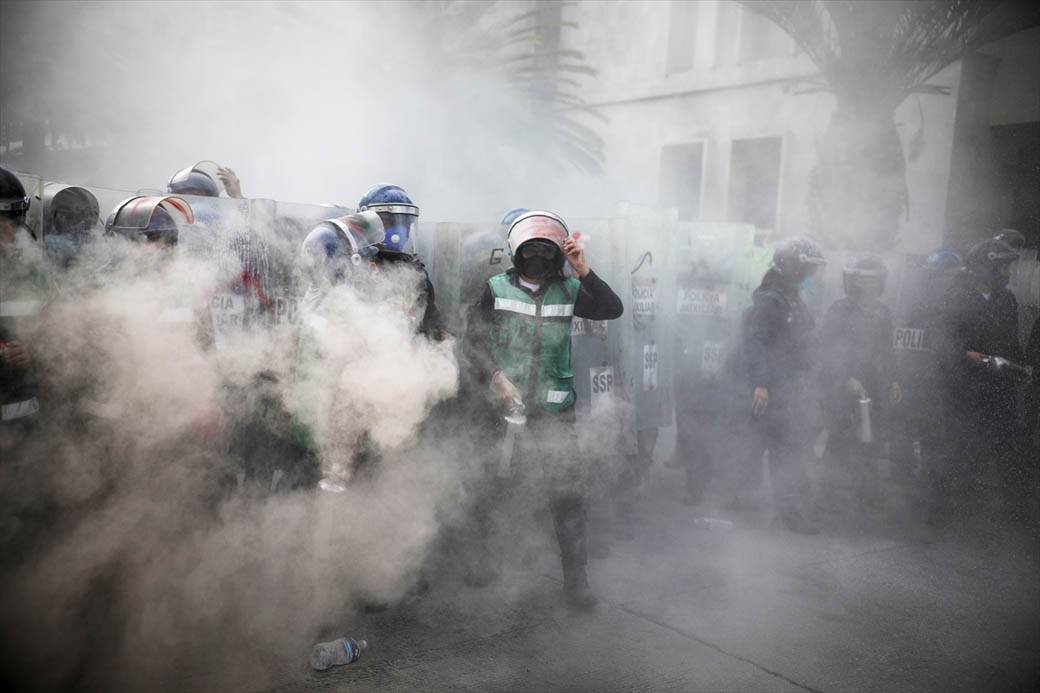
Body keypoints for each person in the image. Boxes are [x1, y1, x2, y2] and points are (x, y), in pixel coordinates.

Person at [465, 210, 623, 609]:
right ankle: (484, 563)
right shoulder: (495, 288)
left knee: (567, 495)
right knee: (492, 486)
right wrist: (496, 375)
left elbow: (611, 308)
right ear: (517, 251)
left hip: (555, 411)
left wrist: (584, 270)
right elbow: (473, 343)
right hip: (503, 411)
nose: (538, 256)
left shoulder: (570, 290)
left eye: (546, 249)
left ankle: (577, 584)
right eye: (531, 248)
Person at [936, 238, 1027, 519]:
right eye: (1001, 266)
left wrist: (1020, 367)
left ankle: (1016, 509)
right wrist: (968, 355)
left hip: (1000, 386)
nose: (1007, 272)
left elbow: (1011, 340)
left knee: (1008, 445)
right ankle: (939, 507)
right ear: (985, 266)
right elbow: (945, 341)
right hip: (966, 386)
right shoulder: (956, 296)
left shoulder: (1006, 299)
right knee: (958, 444)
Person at [744, 237, 826, 534]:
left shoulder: (788, 294)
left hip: (788, 384)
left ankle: (772, 506)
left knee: (778, 445)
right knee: (782, 447)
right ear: (792, 266)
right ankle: (784, 511)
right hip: (774, 386)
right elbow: (757, 343)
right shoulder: (772, 298)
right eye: (807, 268)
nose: (810, 275)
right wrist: (761, 384)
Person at [817, 255, 900, 511]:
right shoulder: (839, 310)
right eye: (864, 281)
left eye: (874, 281)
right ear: (853, 282)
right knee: (840, 439)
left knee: (872, 439)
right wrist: (845, 378)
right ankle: (827, 494)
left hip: (874, 385)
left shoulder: (883, 312)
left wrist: (894, 379)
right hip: (843, 388)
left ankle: (867, 491)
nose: (870, 286)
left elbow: (888, 350)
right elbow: (826, 350)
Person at [356, 183, 445, 339]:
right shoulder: (355, 266)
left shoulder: (416, 273)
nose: (398, 230)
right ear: (367, 224)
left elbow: (431, 322)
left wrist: (441, 343)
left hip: (405, 358)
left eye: (403, 224)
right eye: (389, 223)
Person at [167, 161, 244, 199]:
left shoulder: (221, 222)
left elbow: (246, 227)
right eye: (191, 195)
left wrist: (237, 195)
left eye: (202, 196)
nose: (197, 199)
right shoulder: (165, 220)